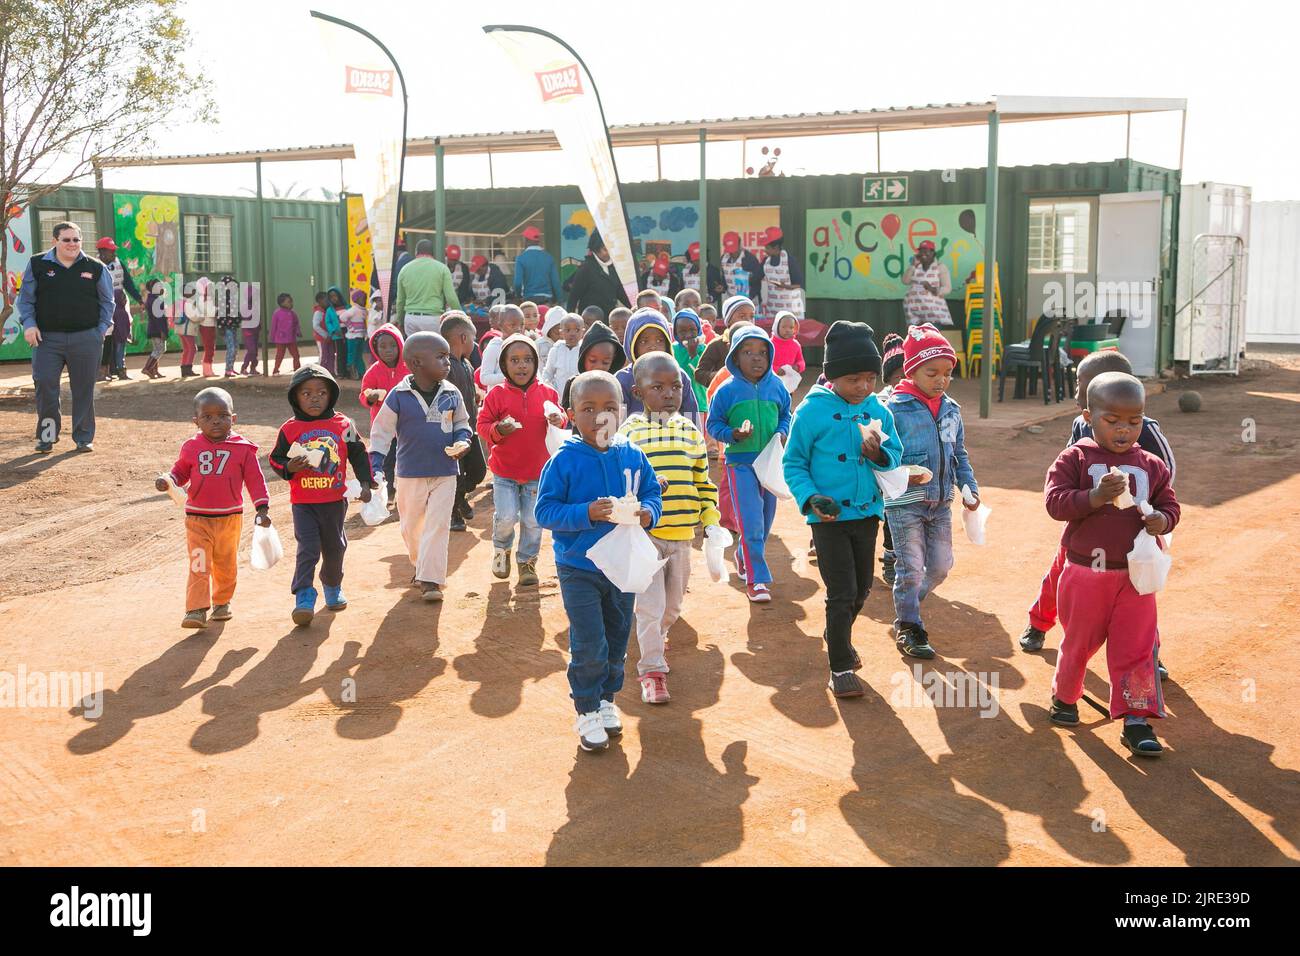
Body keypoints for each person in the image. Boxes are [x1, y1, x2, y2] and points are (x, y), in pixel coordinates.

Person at [1045, 371, 1180, 756]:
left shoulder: (1151, 464)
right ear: (1089, 416)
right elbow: (1056, 503)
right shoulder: (1076, 457)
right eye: (1113, 420)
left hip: (1135, 575)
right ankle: (1065, 697)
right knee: (1078, 643)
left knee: (1136, 649)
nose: (1124, 430)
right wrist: (1095, 496)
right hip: (1086, 572)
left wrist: (1162, 520)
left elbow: (1170, 505)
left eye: (1134, 421)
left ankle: (1136, 720)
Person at [1020, 350, 1176, 678]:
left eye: (1081, 382)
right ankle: (1038, 623)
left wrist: (1149, 508)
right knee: (1058, 578)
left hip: (1133, 535)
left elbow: (1166, 471)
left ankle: (1150, 651)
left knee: (1140, 593)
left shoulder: (1144, 430)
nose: (1076, 391)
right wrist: (1085, 500)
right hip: (1085, 530)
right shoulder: (1082, 423)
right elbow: (1069, 462)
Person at [535, 370, 663, 751]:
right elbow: (545, 511)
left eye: (609, 407)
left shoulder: (632, 453)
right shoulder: (564, 460)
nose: (600, 417)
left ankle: (607, 700)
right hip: (579, 566)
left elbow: (653, 492)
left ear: (622, 411)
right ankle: (586, 708)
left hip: (622, 566)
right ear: (571, 415)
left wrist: (648, 513)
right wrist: (586, 512)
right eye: (588, 409)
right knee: (589, 640)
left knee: (617, 636)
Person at [783, 321, 902, 697]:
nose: (864, 387)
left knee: (862, 589)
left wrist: (879, 454)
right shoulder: (811, 412)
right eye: (854, 379)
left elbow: (895, 454)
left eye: (870, 378)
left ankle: (838, 634)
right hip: (828, 518)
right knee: (841, 592)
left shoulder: (878, 409)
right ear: (832, 376)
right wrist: (811, 498)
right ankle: (840, 666)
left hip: (867, 513)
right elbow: (793, 463)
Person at [619, 353, 720, 705]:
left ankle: (657, 634)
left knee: (671, 608)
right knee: (649, 607)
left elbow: (702, 481)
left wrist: (710, 519)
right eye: (657, 387)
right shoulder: (628, 433)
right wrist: (646, 489)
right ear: (638, 391)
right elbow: (621, 482)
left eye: (675, 386)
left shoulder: (691, 432)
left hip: (682, 537)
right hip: (645, 536)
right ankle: (652, 671)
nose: (668, 394)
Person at [884, 324, 980, 659]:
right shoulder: (893, 409)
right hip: (904, 504)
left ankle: (906, 603)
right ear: (911, 370)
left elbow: (960, 454)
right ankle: (910, 625)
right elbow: (882, 457)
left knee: (939, 567)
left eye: (947, 373)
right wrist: (900, 473)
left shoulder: (952, 409)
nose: (940, 380)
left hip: (941, 503)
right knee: (910, 568)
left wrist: (969, 487)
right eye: (932, 372)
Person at [368, 332, 474, 603]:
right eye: (440, 357)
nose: (447, 362)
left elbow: (463, 424)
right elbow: (381, 432)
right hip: (409, 474)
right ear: (416, 363)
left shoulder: (452, 393)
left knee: (438, 526)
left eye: (448, 356)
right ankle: (420, 565)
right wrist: (376, 465)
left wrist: (463, 442)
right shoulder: (398, 396)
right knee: (411, 527)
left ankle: (431, 580)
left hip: (445, 472)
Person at [268, 365, 375, 625]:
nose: (314, 398)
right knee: (308, 548)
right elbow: (276, 458)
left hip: (335, 502)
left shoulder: (343, 424)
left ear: (331, 395)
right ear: (295, 397)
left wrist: (365, 482)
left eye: (321, 392)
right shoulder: (289, 429)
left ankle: (332, 586)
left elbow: (359, 452)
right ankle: (304, 595)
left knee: (335, 547)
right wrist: (288, 468)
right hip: (304, 503)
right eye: (306, 393)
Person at [156, 386, 270, 628]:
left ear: (233, 418)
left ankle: (222, 602)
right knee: (199, 563)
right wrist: (168, 480)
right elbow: (180, 471)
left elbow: (255, 480)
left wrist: (262, 508)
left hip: (230, 519)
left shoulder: (243, 448)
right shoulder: (191, 447)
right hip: (198, 519)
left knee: (226, 564)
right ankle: (196, 609)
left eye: (222, 416)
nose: (215, 422)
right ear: (196, 421)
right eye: (207, 417)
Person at [706, 325, 792, 603]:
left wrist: (782, 431)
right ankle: (757, 580)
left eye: (763, 353)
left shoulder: (777, 386)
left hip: (769, 464)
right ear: (735, 356)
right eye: (748, 352)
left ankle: (744, 555)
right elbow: (713, 424)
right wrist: (732, 434)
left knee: (766, 521)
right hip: (739, 464)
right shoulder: (726, 391)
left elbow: (785, 415)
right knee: (751, 521)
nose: (757, 358)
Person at [477, 333, 567, 588]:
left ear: (536, 362)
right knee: (506, 517)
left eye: (527, 359)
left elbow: (561, 419)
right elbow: (482, 425)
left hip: (538, 472)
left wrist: (559, 420)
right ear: (504, 364)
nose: (522, 365)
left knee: (532, 520)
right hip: (504, 470)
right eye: (514, 360)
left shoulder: (547, 392)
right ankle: (502, 549)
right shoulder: (496, 395)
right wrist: (497, 429)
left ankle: (527, 562)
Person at [17, 221, 115, 453]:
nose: (72, 244)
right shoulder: (37, 264)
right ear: (55, 241)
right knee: (45, 384)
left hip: (86, 338)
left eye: (76, 240)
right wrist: (29, 325)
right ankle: (47, 436)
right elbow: (26, 299)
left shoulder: (96, 267)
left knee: (83, 389)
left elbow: (108, 302)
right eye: (66, 239)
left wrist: (100, 330)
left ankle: (83, 437)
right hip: (47, 340)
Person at [440, 312, 488, 532]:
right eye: (473, 337)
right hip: (452, 432)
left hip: (470, 428)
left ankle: (458, 497)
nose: (475, 343)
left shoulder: (466, 364)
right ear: (462, 338)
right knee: (455, 472)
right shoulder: (444, 366)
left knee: (478, 470)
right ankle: (453, 512)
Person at [615, 307, 700, 420]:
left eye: (659, 340)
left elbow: (692, 418)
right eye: (644, 341)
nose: (653, 346)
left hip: (675, 436)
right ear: (632, 345)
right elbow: (616, 423)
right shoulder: (623, 379)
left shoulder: (680, 375)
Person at [359, 320, 409, 501]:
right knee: (386, 459)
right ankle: (388, 491)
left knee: (404, 457)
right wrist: (370, 398)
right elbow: (363, 395)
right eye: (382, 346)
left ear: (400, 345)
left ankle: (404, 488)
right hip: (383, 426)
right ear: (375, 348)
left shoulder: (408, 368)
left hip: (406, 425)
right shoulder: (373, 372)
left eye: (392, 346)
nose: (388, 350)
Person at [876, 332, 906, 582]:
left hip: (913, 472)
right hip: (886, 472)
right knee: (890, 517)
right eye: (899, 377)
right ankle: (890, 557)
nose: (905, 381)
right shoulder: (882, 403)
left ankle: (908, 560)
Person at [94, 237, 142, 381]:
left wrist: (139, 299)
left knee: (121, 336)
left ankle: (120, 370)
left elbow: (127, 282)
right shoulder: (94, 264)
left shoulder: (118, 263)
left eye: (114, 250)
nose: (114, 253)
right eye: (111, 251)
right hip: (102, 305)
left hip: (119, 306)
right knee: (105, 338)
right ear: (102, 252)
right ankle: (102, 371)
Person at [395, 239, 461, 335]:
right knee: (435, 349)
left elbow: (400, 301)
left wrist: (400, 321)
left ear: (416, 252)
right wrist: (461, 317)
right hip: (433, 318)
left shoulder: (404, 270)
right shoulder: (442, 269)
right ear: (432, 253)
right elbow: (451, 298)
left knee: (414, 349)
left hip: (411, 318)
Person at [559, 320, 627, 410]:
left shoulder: (617, 385)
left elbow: (621, 417)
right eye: (592, 360)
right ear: (583, 358)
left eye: (606, 362)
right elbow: (566, 418)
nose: (599, 366)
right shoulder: (573, 384)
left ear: (613, 360)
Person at [694, 295, 755, 393]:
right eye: (742, 316)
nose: (748, 320)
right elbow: (699, 374)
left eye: (752, 316)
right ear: (728, 320)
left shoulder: (758, 343)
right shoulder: (717, 344)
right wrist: (721, 375)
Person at [566, 231, 630, 315]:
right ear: (596, 249)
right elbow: (573, 297)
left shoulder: (613, 268)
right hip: (590, 319)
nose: (609, 253)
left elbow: (620, 293)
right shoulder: (586, 268)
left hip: (609, 319)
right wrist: (571, 318)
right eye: (605, 249)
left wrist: (635, 307)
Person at [901, 239, 953, 327]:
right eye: (921, 251)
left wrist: (931, 288)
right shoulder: (915, 267)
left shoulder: (940, 267)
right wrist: (913, 265)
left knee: (931, 339)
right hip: (915, 314)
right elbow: (905, 281)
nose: (923, 253)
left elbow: (947, 288)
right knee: (916, 339)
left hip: (933, 315)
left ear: (933, 253)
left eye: (926, 251)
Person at [759, 227, 804, 323]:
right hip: (773, 310)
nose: (765, 250)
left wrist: (783, 286)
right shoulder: (765, 262)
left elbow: (799, 285)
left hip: (791, 310)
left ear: (775, 247)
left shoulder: (790, 261)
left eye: (767, 248)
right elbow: (756, 277)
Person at [478, 303, 525, 391]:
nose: (519, 329)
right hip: (498, 399)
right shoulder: (494, 347)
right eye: (512, 325)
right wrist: (510, 375)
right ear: (500, 325)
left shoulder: (525, 346)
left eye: (522, 325)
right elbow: (484, 378)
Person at [673, 307, 709, 417]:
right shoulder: (673, 350)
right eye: (682, 331)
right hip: (677, 405)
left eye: (692, 330)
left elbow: (702, 374)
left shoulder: (703, 349)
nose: (688, 335)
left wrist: (693, 354)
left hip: (699, 403)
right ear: (675, 332)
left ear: (698, 330)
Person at [513, 225, 563, 304]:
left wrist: (518, 297)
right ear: (538, 241)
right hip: (547, 299)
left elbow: (517, 283)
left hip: (529, 299)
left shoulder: (521, 258)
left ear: (526, 240)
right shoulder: (549, 258)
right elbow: (555, 282)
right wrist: (560, 300)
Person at [541, 312, 584, 398]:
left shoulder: (584, 350)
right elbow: (548, 372)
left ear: (583, 332)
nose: (572, 333)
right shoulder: (556, 349)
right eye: (568, 330)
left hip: (580, 395)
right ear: (561, 332)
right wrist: (547, 387)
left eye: (577, 330)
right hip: (559, 396)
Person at [720, 231, 763, 302]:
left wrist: (748, 298)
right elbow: (725, 279)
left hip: (748, 300)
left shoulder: (749, 259)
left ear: (740, 244)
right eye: (730, 250)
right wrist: (723, 287)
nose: (732, 253)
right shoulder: (723, 258)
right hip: (731, 299)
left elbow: (757, 282)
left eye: (734, 249)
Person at [215, 274, 243, 378]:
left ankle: (231, 368)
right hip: (227, 328)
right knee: (231, 348)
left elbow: (236, 314)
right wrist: (221, 328)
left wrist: (240, 319)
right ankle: (228, 370)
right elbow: (220, 316)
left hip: (233, 327)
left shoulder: (232, 299)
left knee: (235, 347)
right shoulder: (223, 300)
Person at [173, 277, 201, 378]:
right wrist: (202, 316)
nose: (194, 291)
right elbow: (194, 317)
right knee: (192, 349)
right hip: (187, 329)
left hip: (180, 329)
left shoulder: (179, 302)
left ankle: (184, 368)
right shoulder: (188, 303)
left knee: (186, 349)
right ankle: (187, 369)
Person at [141, 278, 168, 379]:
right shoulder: (156, 301)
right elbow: (159, 318)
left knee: (157, 349)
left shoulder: (152, 299)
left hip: (153, 328)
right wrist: (162, 331)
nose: (162, 288)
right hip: (157, 329)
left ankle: (154, 371)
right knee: (160, 349)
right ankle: (147, 368)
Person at [771, 309, 805, 389]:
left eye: (791, 327)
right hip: (772, 382)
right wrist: (776, 369)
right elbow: (765, 363)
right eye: (784, 327)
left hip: (789, 384)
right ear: (776, 326)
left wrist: (797, 367)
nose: (787, 330)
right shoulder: (770, 344)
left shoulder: (796, 345)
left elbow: (802, 362)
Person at [271, 293, 302, 375]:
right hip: (280, 339)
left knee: (296, 354)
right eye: (289, 302)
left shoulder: (293, 313)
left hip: (291, 338)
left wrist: (298, 331)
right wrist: (272, 337)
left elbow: (296, 323)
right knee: (280, 355)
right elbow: (274, 326)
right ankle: (276, 369)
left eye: (291, 302)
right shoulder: (277, 313)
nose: (291, 303)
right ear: (282, 303)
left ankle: (297, 369)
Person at [342, 289, 369, 379]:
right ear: (356, 299)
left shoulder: (364, 311)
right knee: (352, 354)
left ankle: (361, 373)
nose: (364, 301)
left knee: (359, 355)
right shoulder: (353, 310)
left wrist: (365, 333)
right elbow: (343, 317)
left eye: (365, 299)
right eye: (362, 299)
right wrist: (350, 327)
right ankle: (352, 371)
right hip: (352, 337)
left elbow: (364, 323)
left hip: (360, 336)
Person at [238, 283, 261, 376]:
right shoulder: (245, 306)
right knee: (251, 351)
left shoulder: (255, 306)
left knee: (255, 351)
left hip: (255, 332)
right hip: (248, 333)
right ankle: (244, 367)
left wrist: (260, 326)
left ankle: (253, 368)